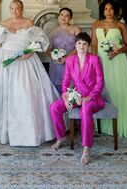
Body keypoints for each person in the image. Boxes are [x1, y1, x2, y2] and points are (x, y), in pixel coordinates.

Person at [0, 0, 59, 146]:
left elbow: (39, 42)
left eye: (18, 8)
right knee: (2, 93)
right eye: (12, 8)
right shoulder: (3, 24)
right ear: (9, 9)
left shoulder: (29, 23)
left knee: (25, 93)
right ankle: (3, 131)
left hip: (25, 61)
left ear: (22, 9)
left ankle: (28, 133)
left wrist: (30, 53)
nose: (15, 10)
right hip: (5, 60)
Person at [91, 0, 127, 139]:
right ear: (102, 11)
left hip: (117, 62)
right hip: (100, 61)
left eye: (111, 9)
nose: (108, 11)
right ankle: (103, 124)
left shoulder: (120, 25)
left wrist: (118, 51)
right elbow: (93, 44)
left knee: (118, 90)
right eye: (105, 9)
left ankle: (121, 123)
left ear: (115, 10)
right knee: (104, 89)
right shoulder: (96, 24)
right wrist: (93, 61)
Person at [50, 32, 104, 165]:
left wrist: (88, 97)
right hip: (76, 96)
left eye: (85, 44)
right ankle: (61, 137)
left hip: (93, 98)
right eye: (79, 43)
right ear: (75, 44)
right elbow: (66, 81)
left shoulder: (94, 59)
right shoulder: (70, 60)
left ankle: (86, 147)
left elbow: (100, 82)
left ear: (88, 46)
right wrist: (66, 95)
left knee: (85, 108)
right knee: (55, 107)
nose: (82, 46)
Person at [47, 7, 81, 94]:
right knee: (58, 88)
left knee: (72, 86)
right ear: (59, 17)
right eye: (62, 15)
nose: (64, 17)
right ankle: (59, 104)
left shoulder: (76, 29)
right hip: (57, 64)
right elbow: (48, 48)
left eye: (67, 16)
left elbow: (81, 46)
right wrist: (54, 57)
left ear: (70, 18)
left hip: (72, 61)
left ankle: (72, 104)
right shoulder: (53, 32)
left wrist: (67, 58)